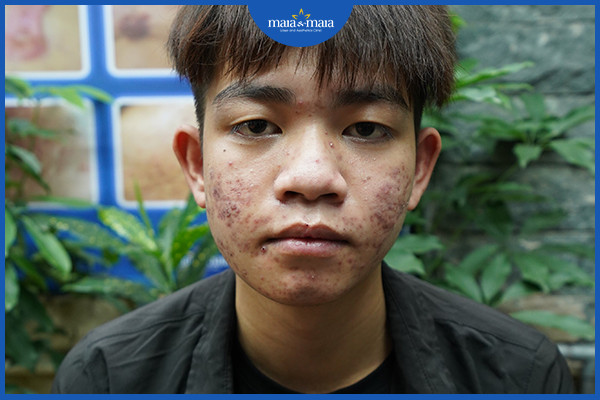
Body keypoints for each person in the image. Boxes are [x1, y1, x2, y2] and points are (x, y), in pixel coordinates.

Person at [51, 5, 573, 394]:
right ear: (196, 165)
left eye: (365, 128)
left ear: (419, 168)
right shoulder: (107, 380)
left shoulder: (520, 377)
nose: (311, 176)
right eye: (257, 126)